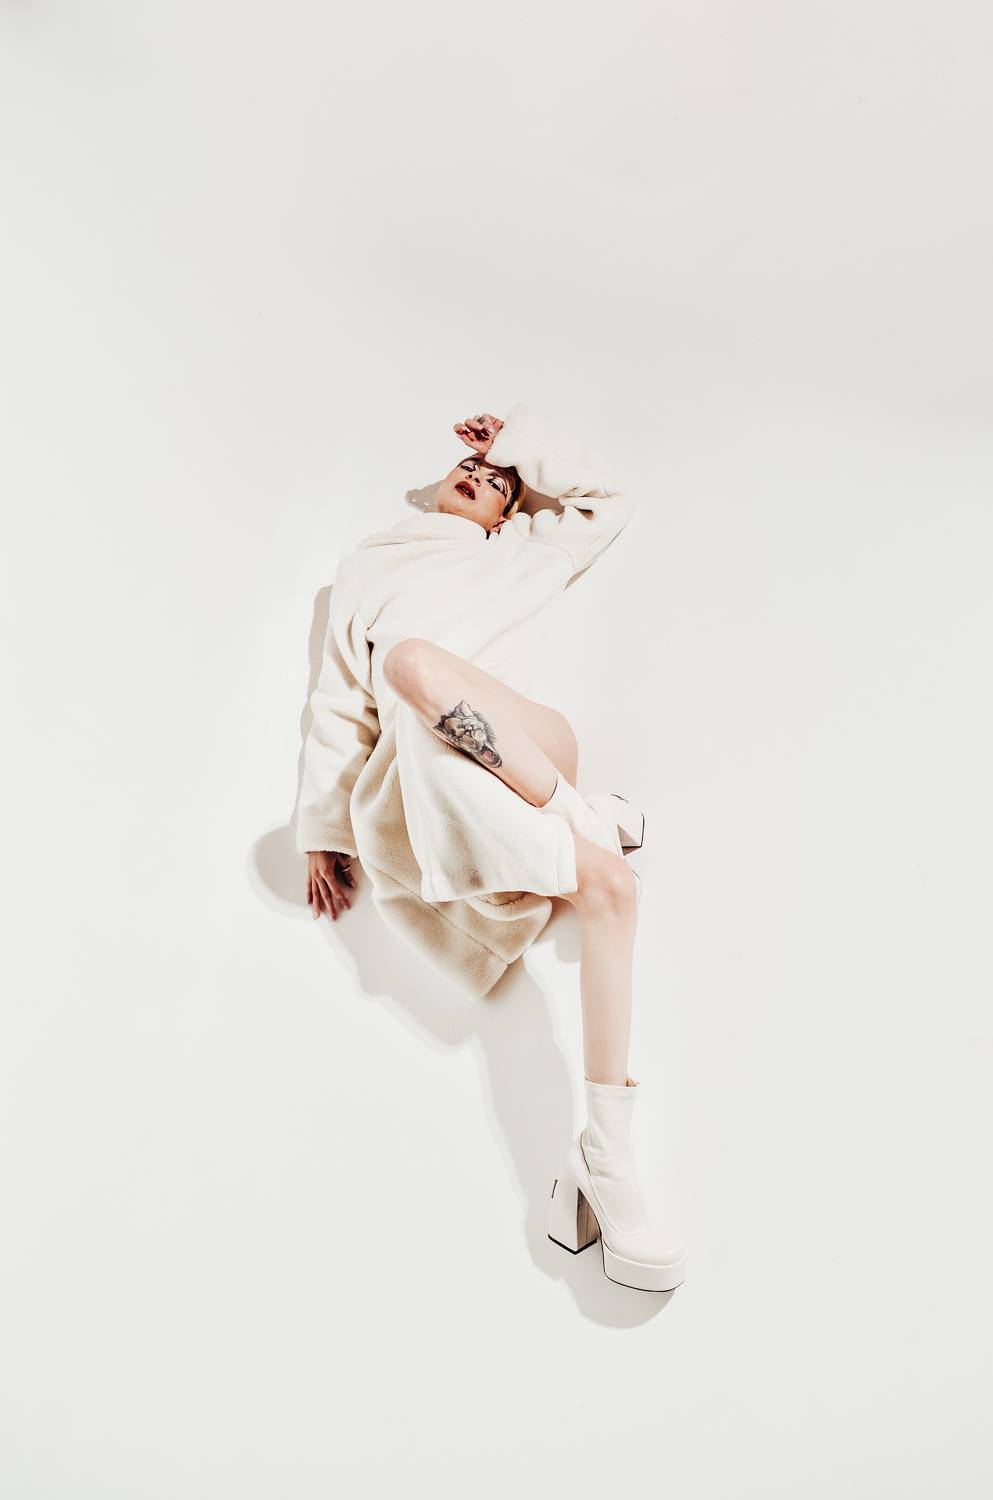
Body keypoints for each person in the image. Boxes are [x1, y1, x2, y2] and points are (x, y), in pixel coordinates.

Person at [298, 404, 685, 1293]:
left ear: (510, 510)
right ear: (437, 484)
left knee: (420, 664)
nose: (479, 478)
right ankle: (607, 1161)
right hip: (428, 754)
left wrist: (512, 448)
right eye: (469, 469)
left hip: (525, 749)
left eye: (497, 483)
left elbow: (606, 505)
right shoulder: (368, 565)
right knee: (610, 889)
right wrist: (323, 826)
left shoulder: (519, 553)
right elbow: (337, 701)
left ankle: (573, 812)